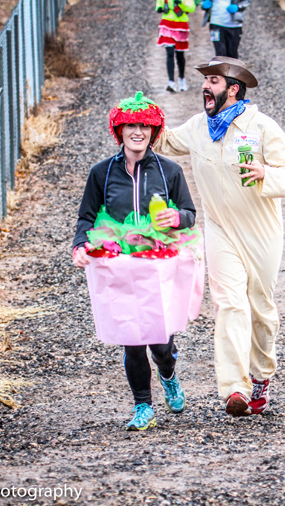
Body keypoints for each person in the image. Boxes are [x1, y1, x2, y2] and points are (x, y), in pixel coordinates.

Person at [153, 56, 285, 417]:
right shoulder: (198, 127)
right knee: (229, 303)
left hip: (261, 231)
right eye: (205, 80)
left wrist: (266, 172)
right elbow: (166, 142)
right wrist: (143, 119)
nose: (205, 86)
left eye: (214, 81)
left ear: (233, 89)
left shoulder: (263, 127)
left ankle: (261, 376)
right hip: (219, 229)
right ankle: (235, 386)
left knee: (260, 308)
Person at [72, 92, 197, 430]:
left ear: (153, 130)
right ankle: (143, 406)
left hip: (159, 263)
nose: (137, 131)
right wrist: (80, 244)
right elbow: (86, 216)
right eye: (131, 126)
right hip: (119, 266)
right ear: (120, 131)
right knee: (132, 336)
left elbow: (190, 213)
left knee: (159, 340)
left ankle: (168, 374)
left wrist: (177, 218)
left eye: (144, 126)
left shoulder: (169, 170)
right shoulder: (102, 173)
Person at [156, 0, 196, 92]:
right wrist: (159, 8)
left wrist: (181, 3)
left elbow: (191, 8)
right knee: (169, 53)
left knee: (180, 55)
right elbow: (159, 2)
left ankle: (182, 79)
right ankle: (171, 82)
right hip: (166, 24)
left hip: (181, 25)